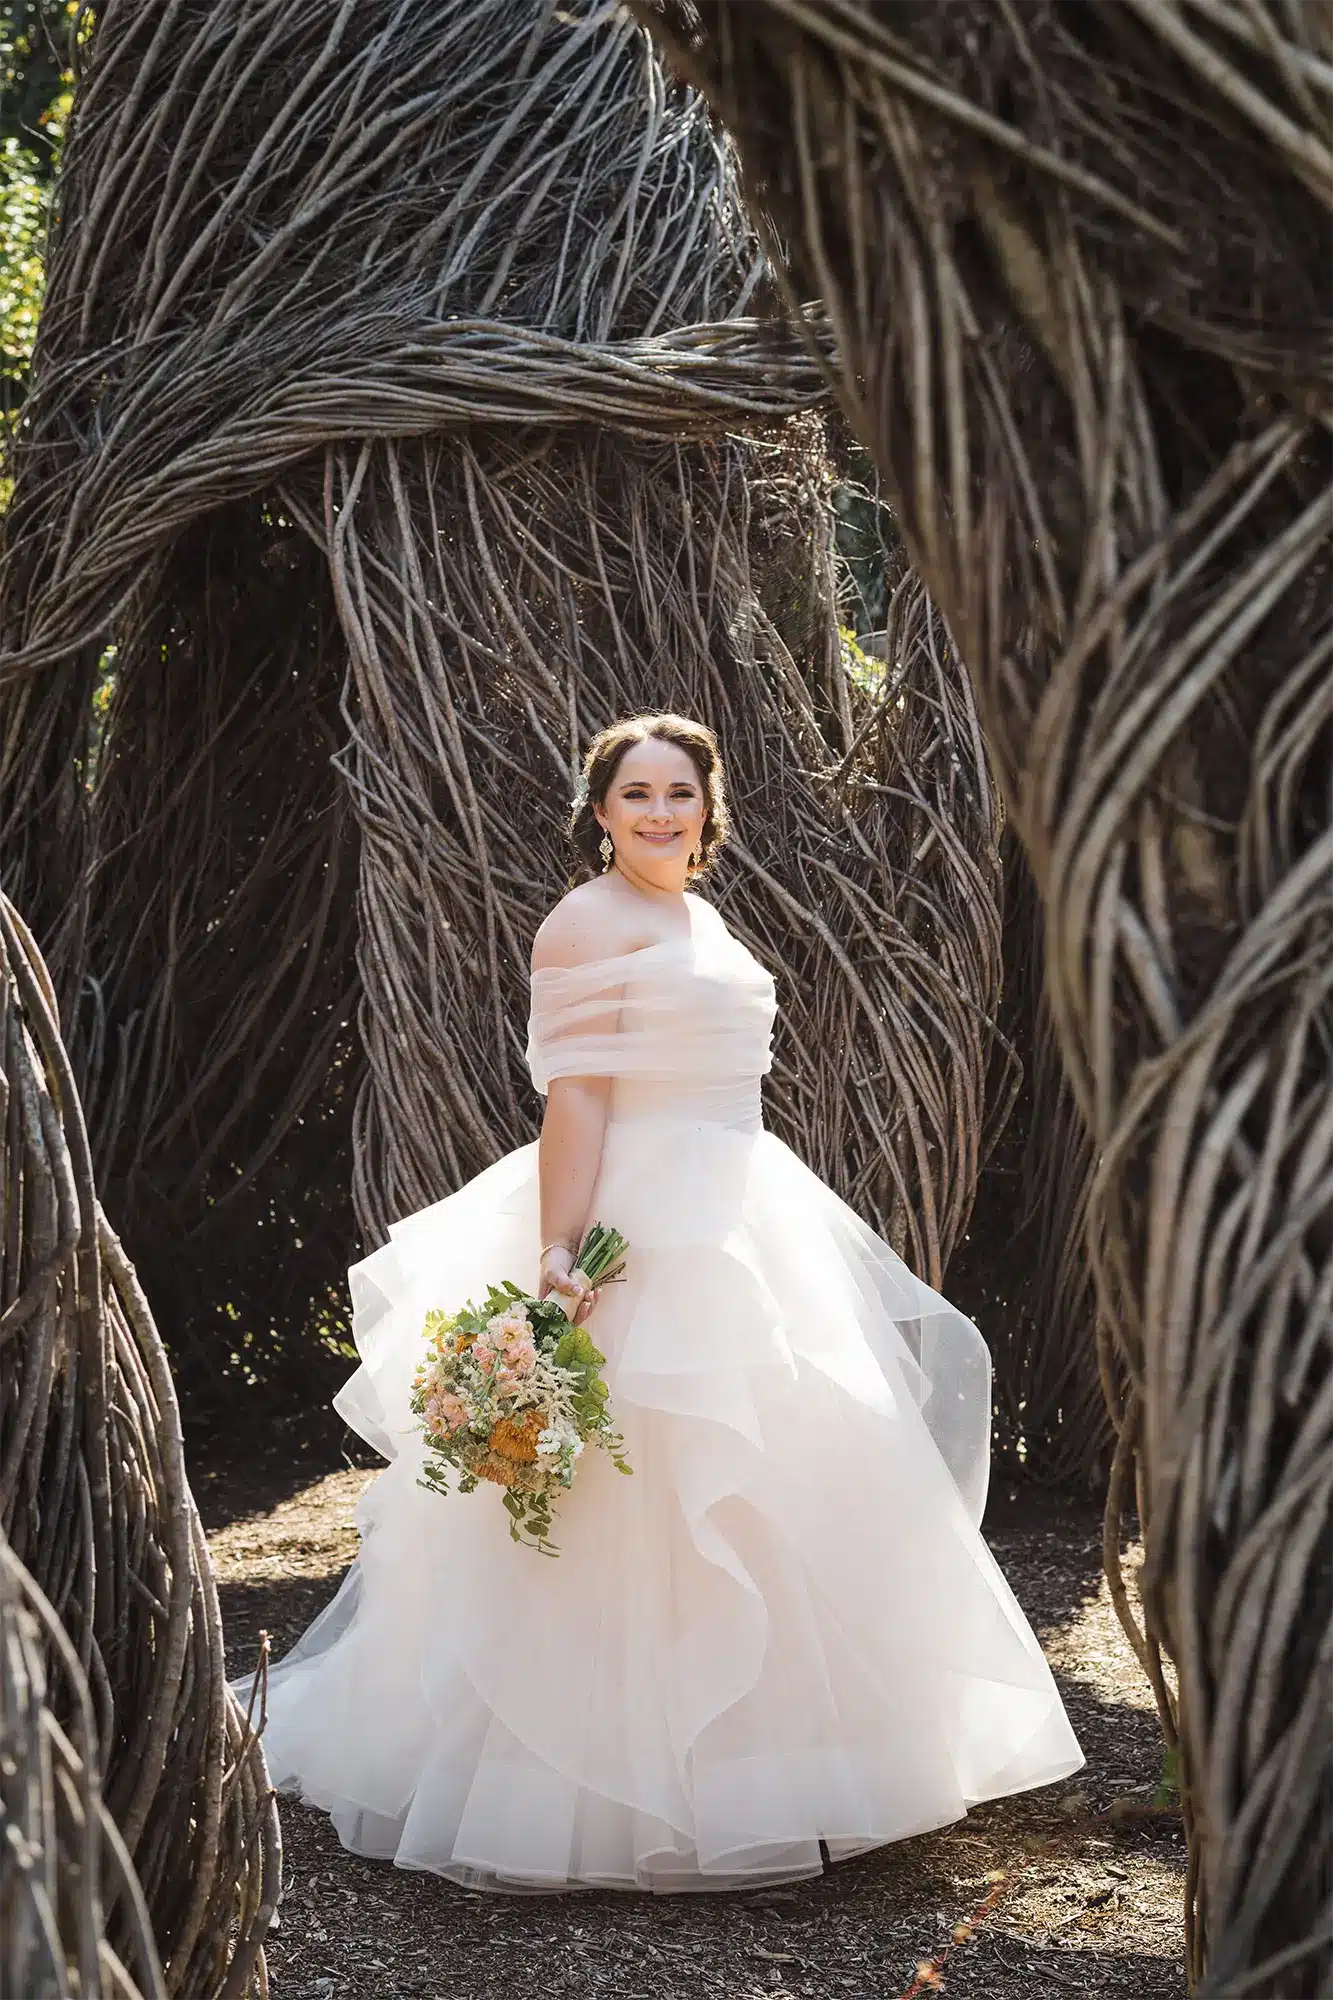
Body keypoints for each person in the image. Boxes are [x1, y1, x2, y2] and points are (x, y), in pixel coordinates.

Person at [250, 711, 1083, 1894]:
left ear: (707, 806)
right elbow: (579, 1097)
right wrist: (560, 1252)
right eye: (634, 793)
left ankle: (785, 1768)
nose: (657, 812)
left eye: (677, 792)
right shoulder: (584, 920)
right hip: (641, 1215)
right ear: (599, 811)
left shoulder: (701, 914)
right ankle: (592, 1783)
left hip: (745, 1205)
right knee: (632, 1487)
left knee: (778, 1478)